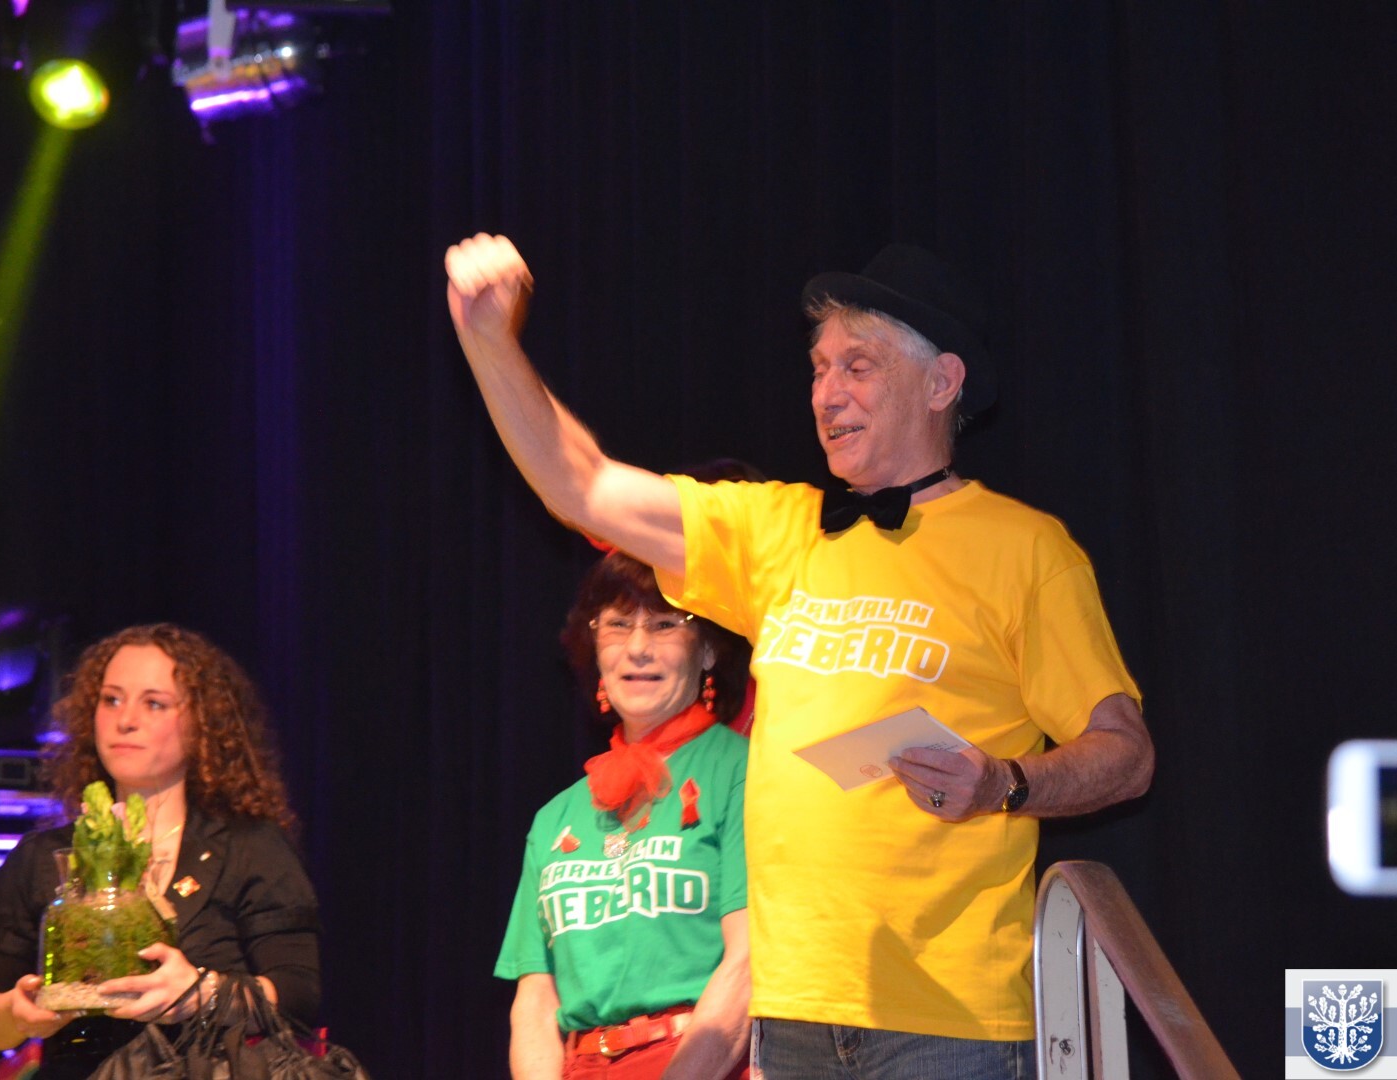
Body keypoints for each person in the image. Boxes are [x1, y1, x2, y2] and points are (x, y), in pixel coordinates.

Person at [446, 234, 1154, 1080]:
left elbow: (1125, 753)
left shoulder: (1025, 551)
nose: (826, 393)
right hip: (788, 1020)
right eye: (818, 369)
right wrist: (488, 339)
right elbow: (583, 484)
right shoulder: (779, 529)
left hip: (947, 1023)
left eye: (857, 366)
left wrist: (1004, 783)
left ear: (941, 383)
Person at [0, 624, 321, 1080]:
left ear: (202, 723)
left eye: (154, 703)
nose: (125, 720)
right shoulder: (43, 857)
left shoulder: (248, 846)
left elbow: (299, 995)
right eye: (111, 700)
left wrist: (202, 993)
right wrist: (17, 1014)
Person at [496, 552, 752, 1079]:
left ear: (707, 648)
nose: (637, 647)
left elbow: (750, 963)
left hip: (701, 1063)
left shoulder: (742, 772)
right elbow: (535, 1001)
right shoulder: (556, 816)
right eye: (617, 625)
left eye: (663, 624)